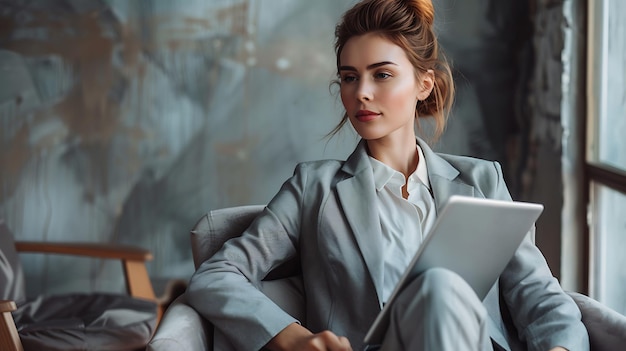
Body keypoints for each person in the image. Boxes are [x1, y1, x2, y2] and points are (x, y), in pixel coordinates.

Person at [187, 0, 589, 350]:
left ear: (423, 83)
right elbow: (217, 275)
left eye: (381, 74)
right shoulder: (314, 188)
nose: (361, 91)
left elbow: (539, 295)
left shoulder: (482, 181)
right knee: (441, 286)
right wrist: (291, 336)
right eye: (349, 77)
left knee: (442, 290)